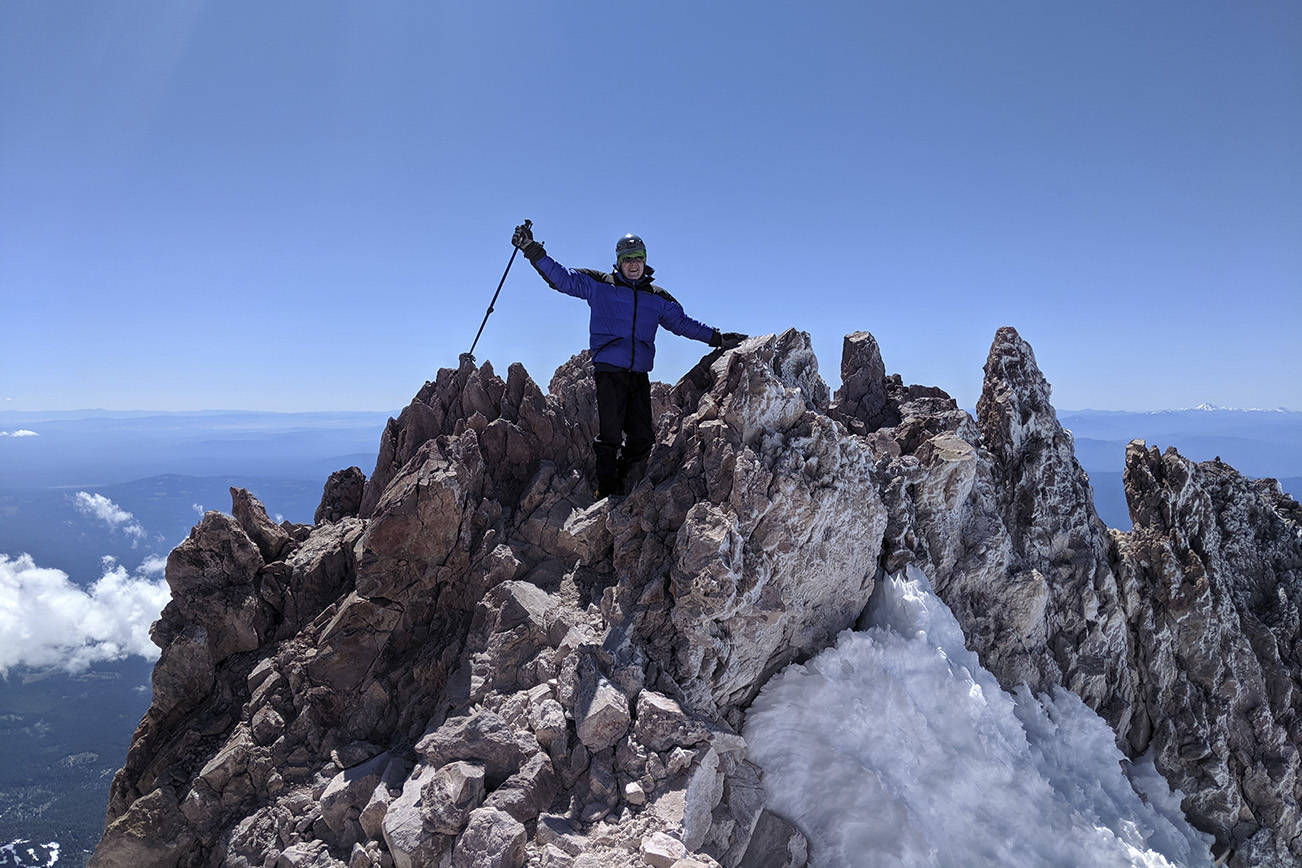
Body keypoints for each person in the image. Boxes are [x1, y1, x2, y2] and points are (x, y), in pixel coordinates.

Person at [512, 223, 746, 499]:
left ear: (644, 261)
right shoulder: (600, 285)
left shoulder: (656, 298)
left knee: (643, 437)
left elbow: (683, 324)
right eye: (627, 259)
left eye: (637, 259)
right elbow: (562, 279)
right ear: (619, 262)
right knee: (610, 435)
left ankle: (623, 481)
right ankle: (607, 492)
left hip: (638, 374)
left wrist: (717, 338)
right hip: (609, 371)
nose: (633, 265)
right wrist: (532, 249)